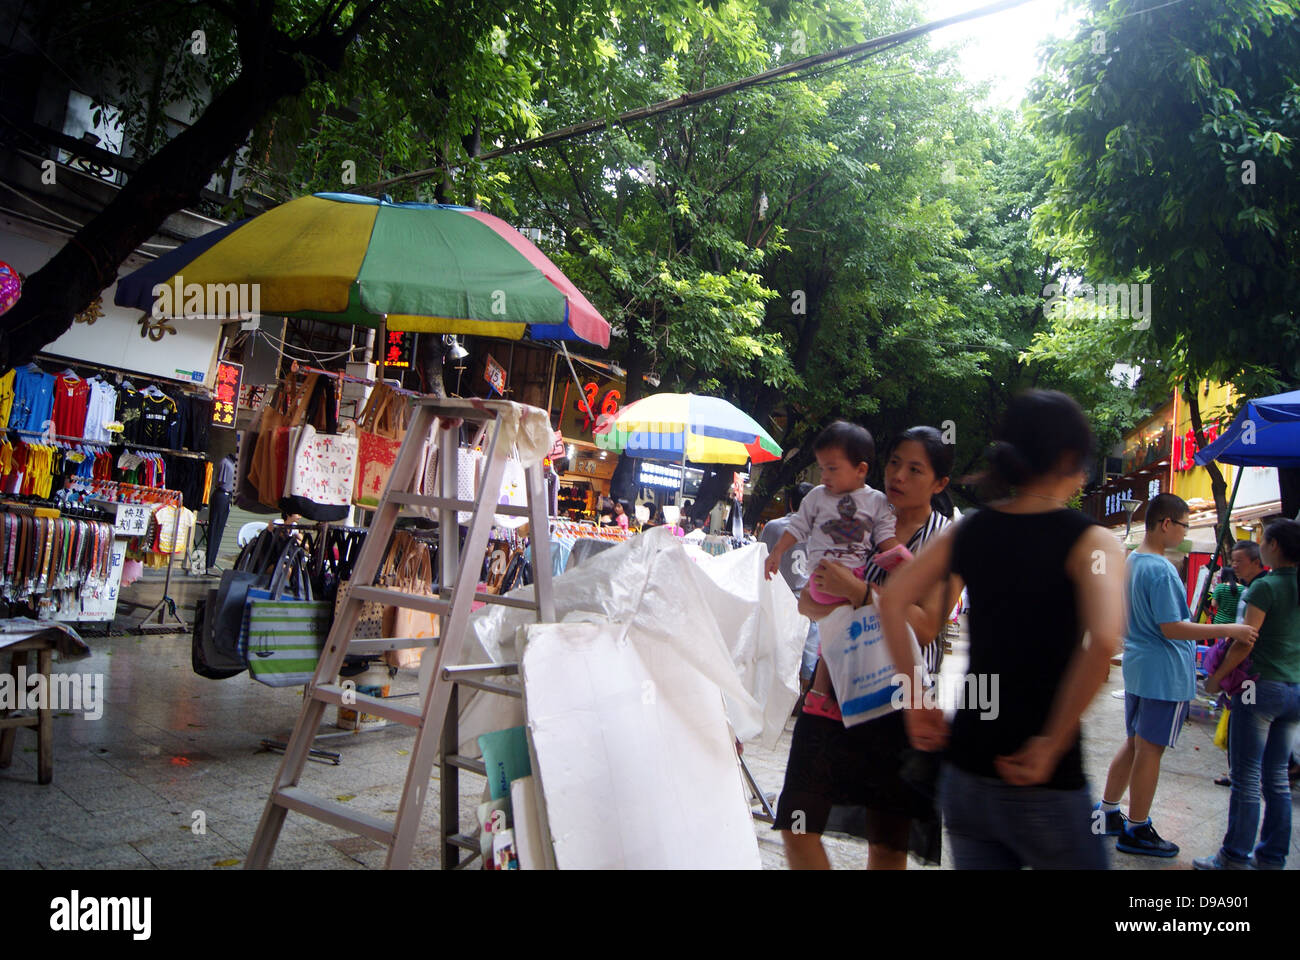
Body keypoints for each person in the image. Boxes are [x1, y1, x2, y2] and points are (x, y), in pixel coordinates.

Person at [878, 390, 1125, 870]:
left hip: (966, 773)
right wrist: (1051, 742)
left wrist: (915, 699)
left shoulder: (971, 530)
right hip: (1045, 781)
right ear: (1070, 459)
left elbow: (892, 599)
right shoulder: (1092, 541)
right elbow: (1103, 641)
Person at [774, 427, 958, 870]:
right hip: (830, 689)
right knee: (797, 825)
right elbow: (809, 600)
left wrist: (860, 592)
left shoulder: (946, 541)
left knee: (887, 846)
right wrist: (819, 592)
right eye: (894, 462)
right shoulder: (858, 509)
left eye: (915, 469)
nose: (898, 475)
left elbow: (928, 626)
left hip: (896, 706)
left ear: (939, 484)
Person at [1097, 493, 1258, 857]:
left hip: (1141, 667)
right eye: (1184, 525)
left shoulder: (1133, 561)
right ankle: (1137, 828)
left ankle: (1108, 812)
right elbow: (1172, 627)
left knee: (1136, 742)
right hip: (1164, 673)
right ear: (1167, 523)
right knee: (1150, 749)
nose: (1185, 533)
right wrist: (1229, 630)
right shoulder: (1160, 568)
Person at [1196, 519, 1300, 869]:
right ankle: (1272, 858)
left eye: (1265, 540)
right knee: (1276, 779)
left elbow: (1244, 642)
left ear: (1273, 547)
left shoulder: (1264, 587)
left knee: (1246, 776)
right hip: (1294, 690)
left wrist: (1216, 679)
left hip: (1258, 688)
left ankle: (1233, 856)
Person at [764, 421, 901, 606]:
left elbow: (886, 537)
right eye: (822, 468)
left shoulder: (876, 501)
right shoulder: (817, 496)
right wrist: (777, 551)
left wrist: (905, 563)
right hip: (821, 578)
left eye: (832, 468)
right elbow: (797, 526)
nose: (824, 476)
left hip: (858, 576)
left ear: (860, 470)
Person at [760, 482, 819, 688]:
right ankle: (804, 693)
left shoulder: (774, 527)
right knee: (809, 648)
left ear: (791, 503)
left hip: (780, 598)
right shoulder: (822, 531)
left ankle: (780, 690)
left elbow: (761, 558)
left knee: (780, 648)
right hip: (811, 598)